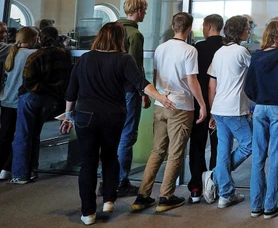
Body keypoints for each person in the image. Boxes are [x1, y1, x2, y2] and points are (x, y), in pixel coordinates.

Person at [59, 22, 170, 226]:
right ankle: (109, 199)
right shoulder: (123, 59)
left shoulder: (84, 59)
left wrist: (67, 116)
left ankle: (88, 213)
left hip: (86, 117)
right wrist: (160, 97)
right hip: (113, 116)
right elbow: (140, 83)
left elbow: (71, 91)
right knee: (110, 157)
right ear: (120, 39)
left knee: (88, 164)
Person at [132, 13, 208, 213]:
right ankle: (166, 196)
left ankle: (143, 195)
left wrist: (156, 96)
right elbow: (192, 81)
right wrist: (202, 104)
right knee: (175, 153)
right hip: (181, 107)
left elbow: (156, 76)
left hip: (161, 104)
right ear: (189, 28)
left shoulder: (161, 48)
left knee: (157, 151)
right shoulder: (190, 51)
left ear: (173, 26)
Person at [245, 20, 278, 219]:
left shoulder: (256, 57)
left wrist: (260, 98)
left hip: (259, 109)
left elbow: (248, 87)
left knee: (258, 157)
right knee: (276, 156)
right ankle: (270, 206)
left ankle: (255, 205)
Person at [10, 27, 71, 184]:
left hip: (33, 98)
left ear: (39, 39)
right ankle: (32, 170)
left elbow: (28, 81)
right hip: (51, 100)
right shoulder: (64, 54)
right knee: (35, 134)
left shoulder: (35, 56)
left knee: (23, 135)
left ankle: (20, 174)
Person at [205, 15, 253, 209]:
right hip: (234, 109)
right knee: (250, 144)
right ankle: (216, 175)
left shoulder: (219, 52)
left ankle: (226, 193)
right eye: (247, 28)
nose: (249, 31)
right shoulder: (242, 51)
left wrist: (210, 111)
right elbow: (256, 72)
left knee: (223, 150)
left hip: (218, 108)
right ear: (240, 31)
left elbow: (212, 83)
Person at [115, 0, 150, 197]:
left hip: (110, 91)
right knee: (127, 136)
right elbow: (135, 68)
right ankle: (121, 181)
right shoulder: (134, 35)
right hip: (128, 90)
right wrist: (143, 92)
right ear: (137, 11)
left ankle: (110, 178)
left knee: (113, 136)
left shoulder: (112, 29)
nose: (144, 13)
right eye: (144, 10)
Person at [187, 14, 223, 203]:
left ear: (209, 26)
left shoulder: (198, 48)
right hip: (221, 104)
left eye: (203, 25)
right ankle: (214, 184)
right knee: (218, 147)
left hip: (199, 102)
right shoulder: (226, 48)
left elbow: (192, 76)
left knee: (197, 145)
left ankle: (195, 187)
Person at [0, 28, 38, 180]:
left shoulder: (11, 52)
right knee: (20, 136)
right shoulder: (32, 55)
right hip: (19, 101)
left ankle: (1, 166)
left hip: (6, 99)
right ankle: (8, 167)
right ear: (33, 39)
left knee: (5, 135)